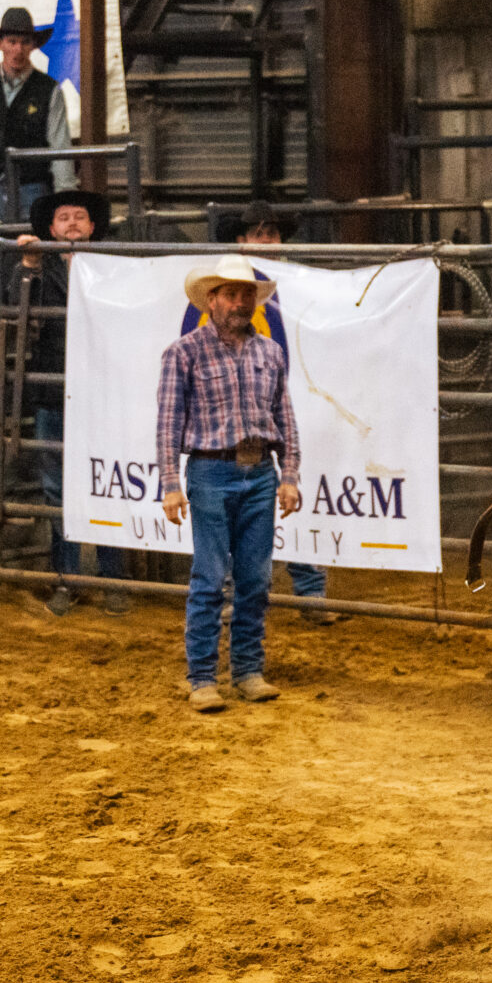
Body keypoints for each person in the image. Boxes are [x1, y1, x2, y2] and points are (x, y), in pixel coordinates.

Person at [157, 255, 305, 713]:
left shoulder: (270, 353)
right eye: (230, 294)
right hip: (210, 471)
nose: (239, 302)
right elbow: (168, 422)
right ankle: (202, 676)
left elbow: (285, 418)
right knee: (209, 577)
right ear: (211, 300)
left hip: (261, 472)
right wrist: (169, 483)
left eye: (246, 295)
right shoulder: (183, 353)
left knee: (255, 579)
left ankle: (247, 671)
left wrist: (290, 476)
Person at [15, 189, 128, 617]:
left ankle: (111, 579)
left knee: (109, 481)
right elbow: (16, 310)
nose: (73, 224)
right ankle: (68, 580)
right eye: (64, 218)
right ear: (51, 228)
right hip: (55, 390)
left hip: (102, 390)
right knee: (58, 489)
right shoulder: (38, 267)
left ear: (93, 227)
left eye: (80, 216)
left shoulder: (111, 270)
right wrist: (29, 265)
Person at [226, 201, 336, 624]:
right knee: (247, 499)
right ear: (242, 240)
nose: (266, 240)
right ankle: (249, 593)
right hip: (251, 405)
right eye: (258, 233)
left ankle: (309, 593)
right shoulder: (236, 283)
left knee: (286, 494)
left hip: (288, 399)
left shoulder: (297, 282)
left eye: (272, 233)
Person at [0, 5, 76, 229]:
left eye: (24, 42)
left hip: (32, 187)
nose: (18, 49)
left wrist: (65, 197)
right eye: (12, 41)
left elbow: (59, 146)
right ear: (0, 44)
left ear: (33, 46)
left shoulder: (49, 90)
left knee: (32, 248)